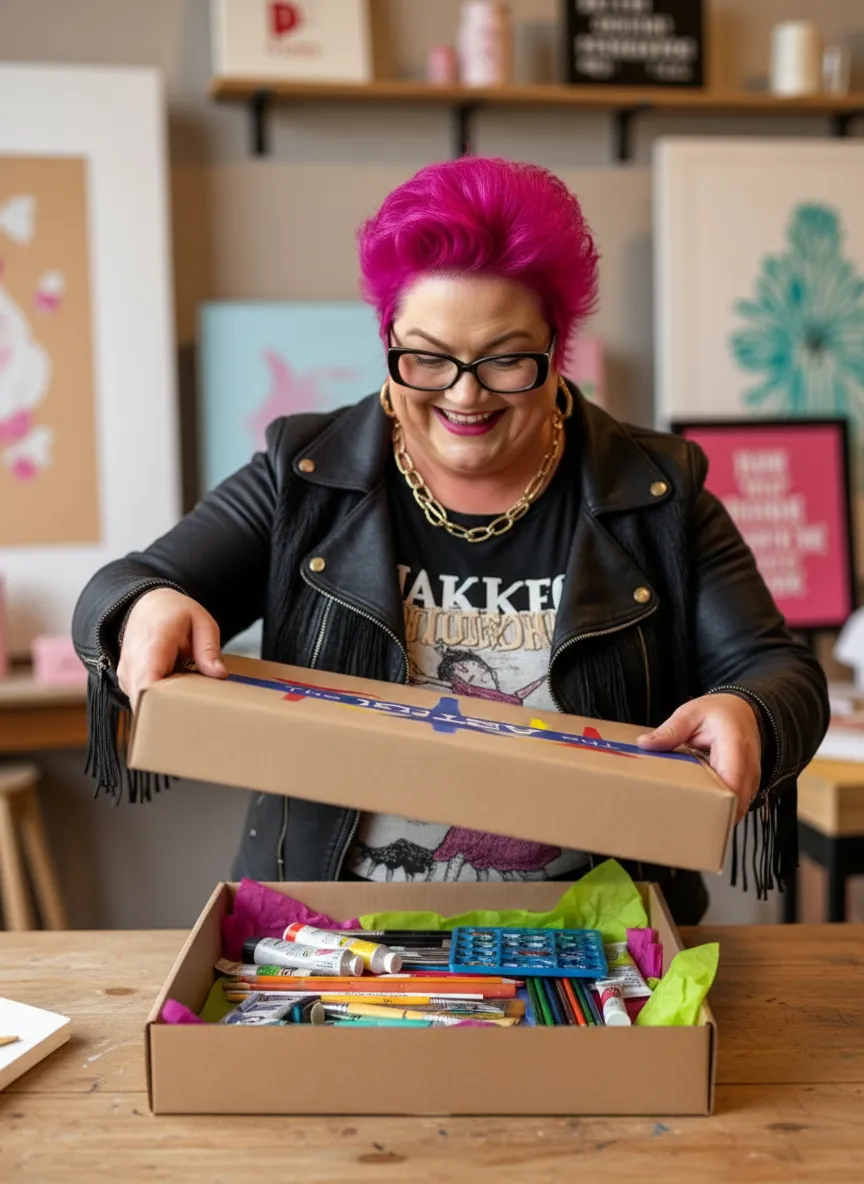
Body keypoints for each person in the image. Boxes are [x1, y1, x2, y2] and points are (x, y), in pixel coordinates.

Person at [72, 157, 829, 924]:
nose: (465, 394)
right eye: (427, 358)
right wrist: (143, 605)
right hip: (331, 936)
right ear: (388, 341)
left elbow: (778, 671)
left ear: (556, 346)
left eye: (505, 359)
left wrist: (749, 710)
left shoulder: (656, 491)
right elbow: (121, 587)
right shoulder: (305, 475)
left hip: (599, 939)